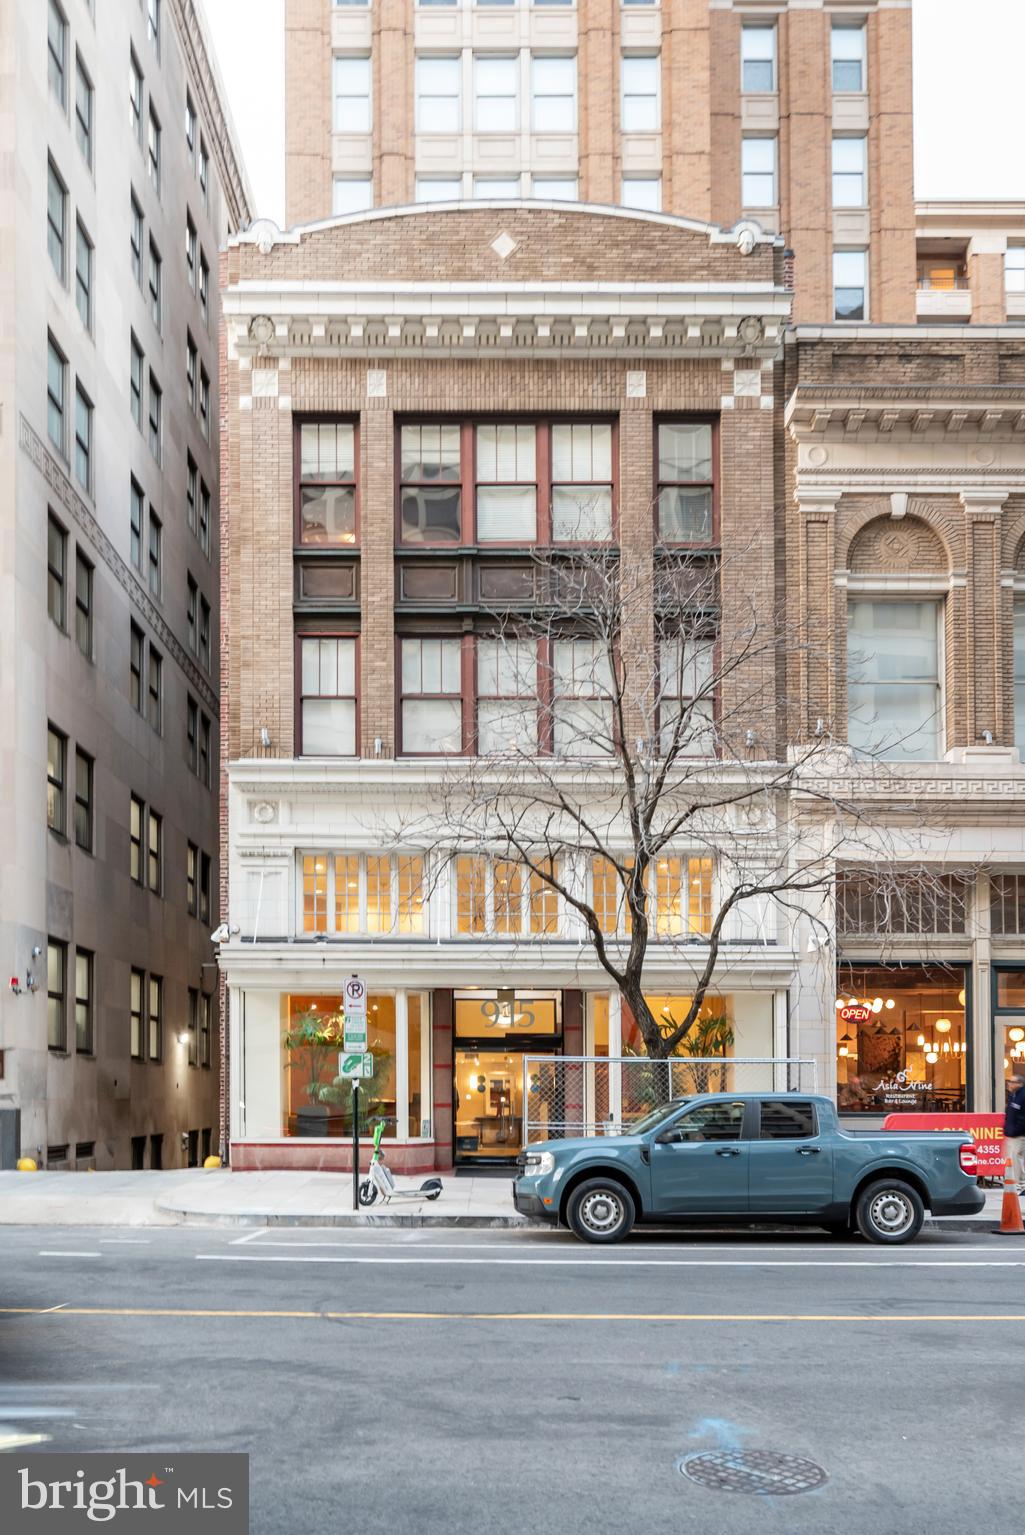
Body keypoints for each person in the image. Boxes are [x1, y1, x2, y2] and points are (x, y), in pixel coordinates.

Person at [1004, 1073, 1025, 1194]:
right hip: (1013, 1134)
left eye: (1012, 1082)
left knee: (1015, 1159)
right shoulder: (1013, 1096)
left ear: (1019, 1084)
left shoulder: (1022, 1096)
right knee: (1014, 1159)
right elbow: (1010, 1114)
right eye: (1009, 1081)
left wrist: (1016, 1130)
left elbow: (1022, 1117)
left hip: (1020, 1135)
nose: (1009, 1084)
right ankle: (1021, 1184)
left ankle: (1018, 1185)